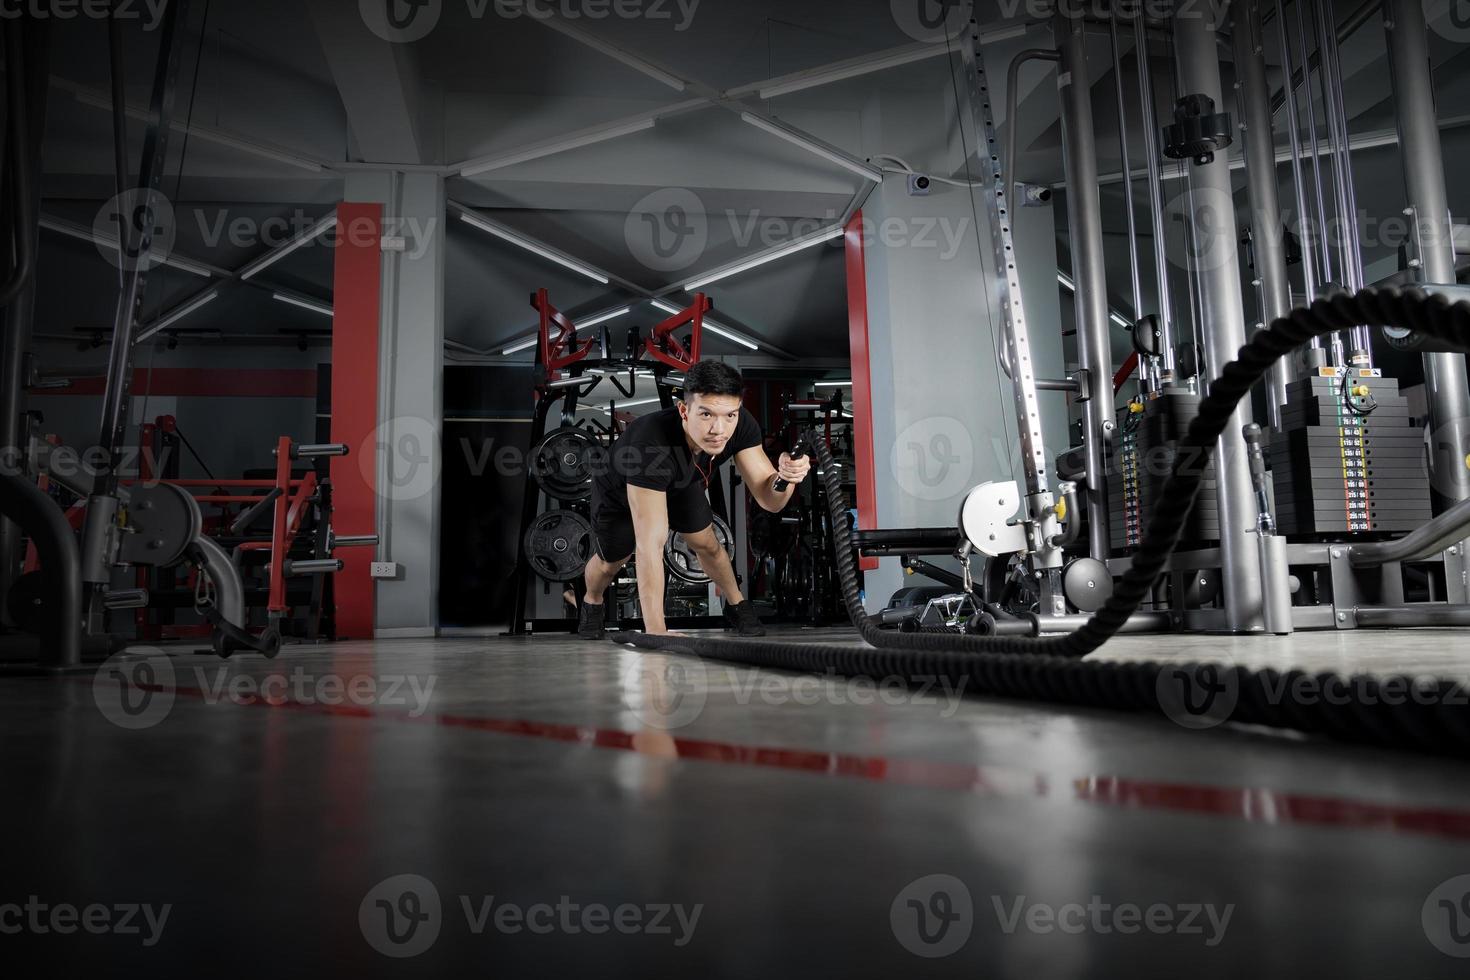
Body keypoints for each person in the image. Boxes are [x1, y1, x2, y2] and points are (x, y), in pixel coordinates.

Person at [579, 360, 810, 639]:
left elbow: (770, 500)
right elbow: (650, 546)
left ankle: (737, 607)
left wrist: (786, 478)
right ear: (684, 411)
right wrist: (657, 633)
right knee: (612, 560)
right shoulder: (650, 442)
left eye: (729, 416)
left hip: (681, 482)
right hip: (620, 493)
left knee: (708, 543)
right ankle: (592, 602)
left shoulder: (740, 424)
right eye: (706, 415)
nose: (719, 429)